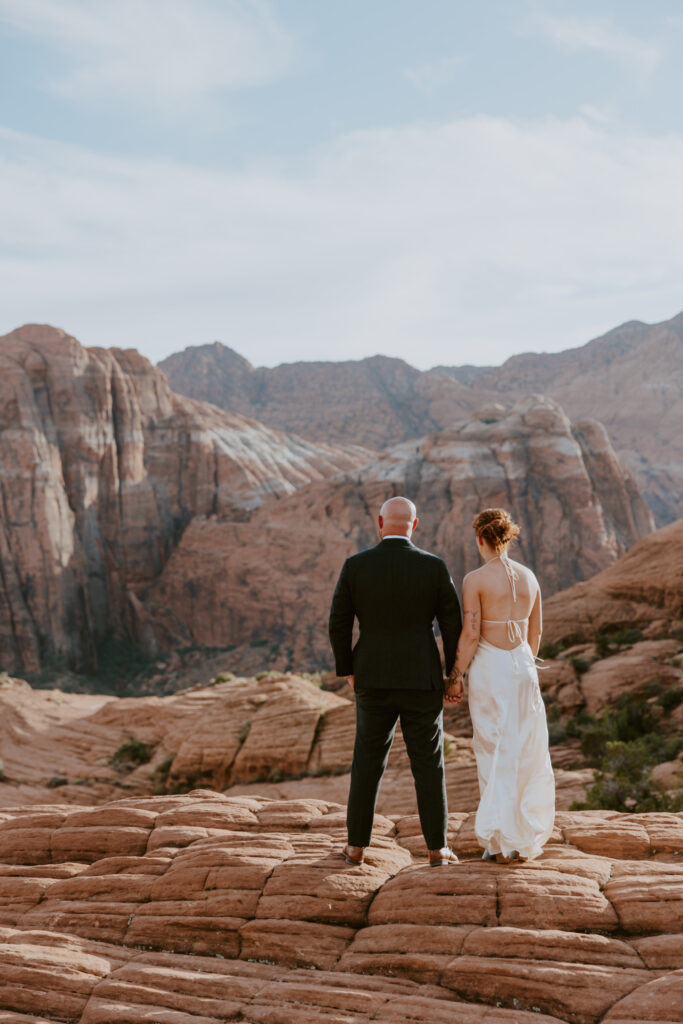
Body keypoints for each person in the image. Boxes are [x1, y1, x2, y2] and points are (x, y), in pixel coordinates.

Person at [329, 496, 462, 867]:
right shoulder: (433, 567)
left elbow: (338, 622)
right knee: (429, 765)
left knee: (367, 762)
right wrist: (453, 674)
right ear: (414, 526)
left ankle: (356, 847)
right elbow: (452, 624)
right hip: (422, 678)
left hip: (372, 677)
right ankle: (438, 849)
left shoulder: (356, 566)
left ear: (380, 522)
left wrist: (349, 670)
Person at [445, 508, 555, 863]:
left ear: (480, 538)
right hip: (523, 668)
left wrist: (455, 676)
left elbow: (472, 633)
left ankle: (498, 842)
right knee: (524, 750)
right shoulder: (530, 577)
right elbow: (535, 634)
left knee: (493, 749)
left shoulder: (474, 580)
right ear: (507, 538)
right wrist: (521, 663)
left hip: (490, 671)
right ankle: (520, 839)